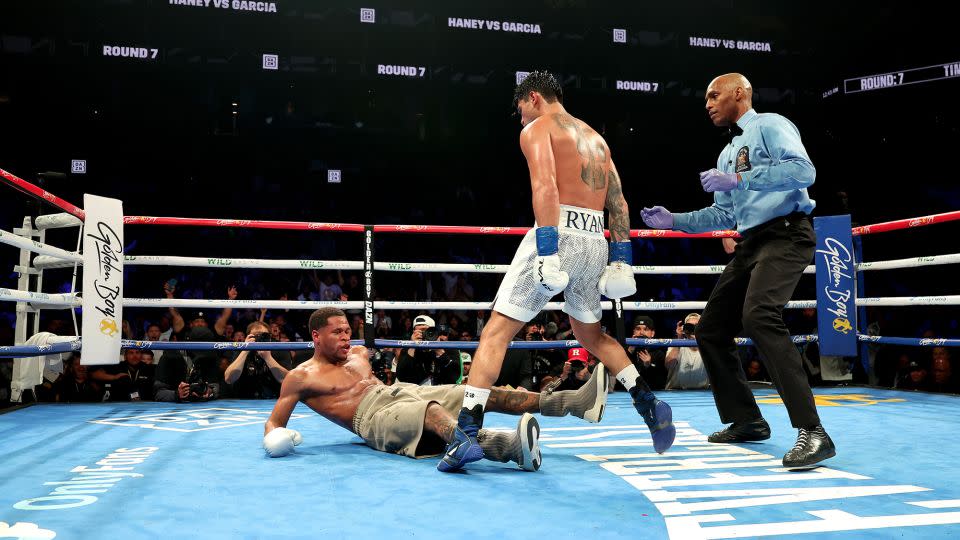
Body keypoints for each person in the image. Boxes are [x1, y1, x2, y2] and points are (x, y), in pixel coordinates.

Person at [441, 71, 675, 473]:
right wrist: (622, 258)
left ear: (533, 97)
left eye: (520, 110)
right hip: (595, 241)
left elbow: (545, 186)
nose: (520, 119)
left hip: (557, 233)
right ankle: (648, 404)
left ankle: (465, 434)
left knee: (496, 331)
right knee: (591, 335)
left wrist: (548, 250)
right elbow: (618, 203)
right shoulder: (597, 139)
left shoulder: (539, 128)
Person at [641, 72, 833, 469]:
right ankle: (747, 420)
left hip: (786, 233)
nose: (708, 104)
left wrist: (741, 178)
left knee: (760, 315)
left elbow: (804, 172)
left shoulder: (770, 125)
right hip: (750, 243)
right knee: (710, 329)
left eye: (714, 95)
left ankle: (813, 432)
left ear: (740, 93)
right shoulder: (726, 153)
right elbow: (722, 213)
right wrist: (673, 219)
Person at [263, 308, 609, 472]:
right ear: (316, 337)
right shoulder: (302, 376)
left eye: (346, 330)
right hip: (370, 418)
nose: (346, 337)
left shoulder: (358, 353)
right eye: (337, 332)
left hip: (399, 391)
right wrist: (278, 438)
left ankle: (573, 403)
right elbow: (274, 423)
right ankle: (468, 445)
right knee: (429, 412)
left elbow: (404, 374)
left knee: (476, 393)